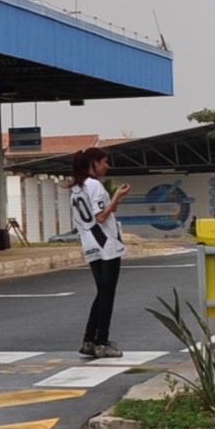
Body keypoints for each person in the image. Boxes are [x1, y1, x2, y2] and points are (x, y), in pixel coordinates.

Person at [71, 145, 128, 359]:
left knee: (102, 292)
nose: (107, 166)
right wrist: (117, 197)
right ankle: (102, 341)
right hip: (106, 244)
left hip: (90, 243)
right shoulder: (94, 185)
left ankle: (89, 340)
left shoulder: (78, 187)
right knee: (107, 293)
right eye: (104, 161)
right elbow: (100, 217)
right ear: (94, 163)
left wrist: (110, 205)